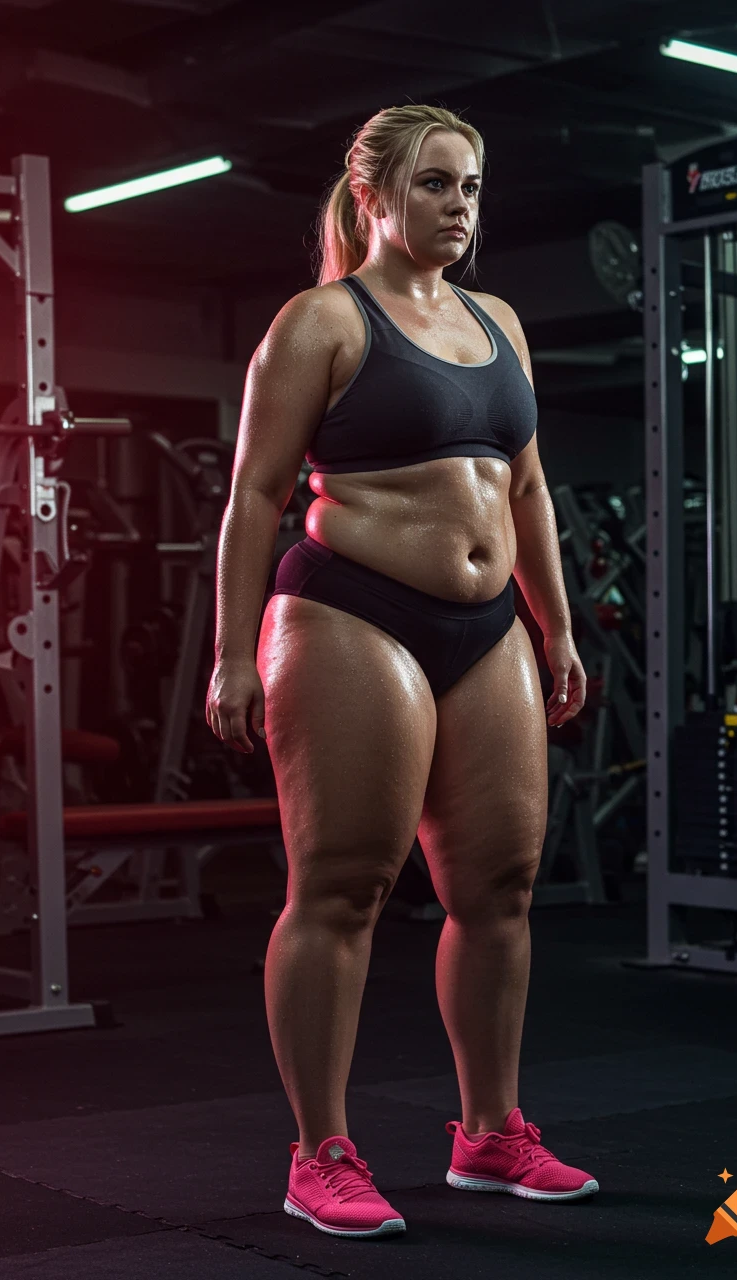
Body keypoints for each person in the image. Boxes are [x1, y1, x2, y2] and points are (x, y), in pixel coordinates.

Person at [206, 103, 595, 1240]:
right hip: (351, 609)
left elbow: (527, 488)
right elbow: (253, 495)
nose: (457, 206)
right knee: (343, 887)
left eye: (469, 186)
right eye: (433, 183)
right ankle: (319, 1152)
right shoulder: (322, 321)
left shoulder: (499, 321)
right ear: (372, 194)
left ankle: (489, 1132)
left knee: (500, 887)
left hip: (489, 627)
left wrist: (557, 627)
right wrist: (231, 654)